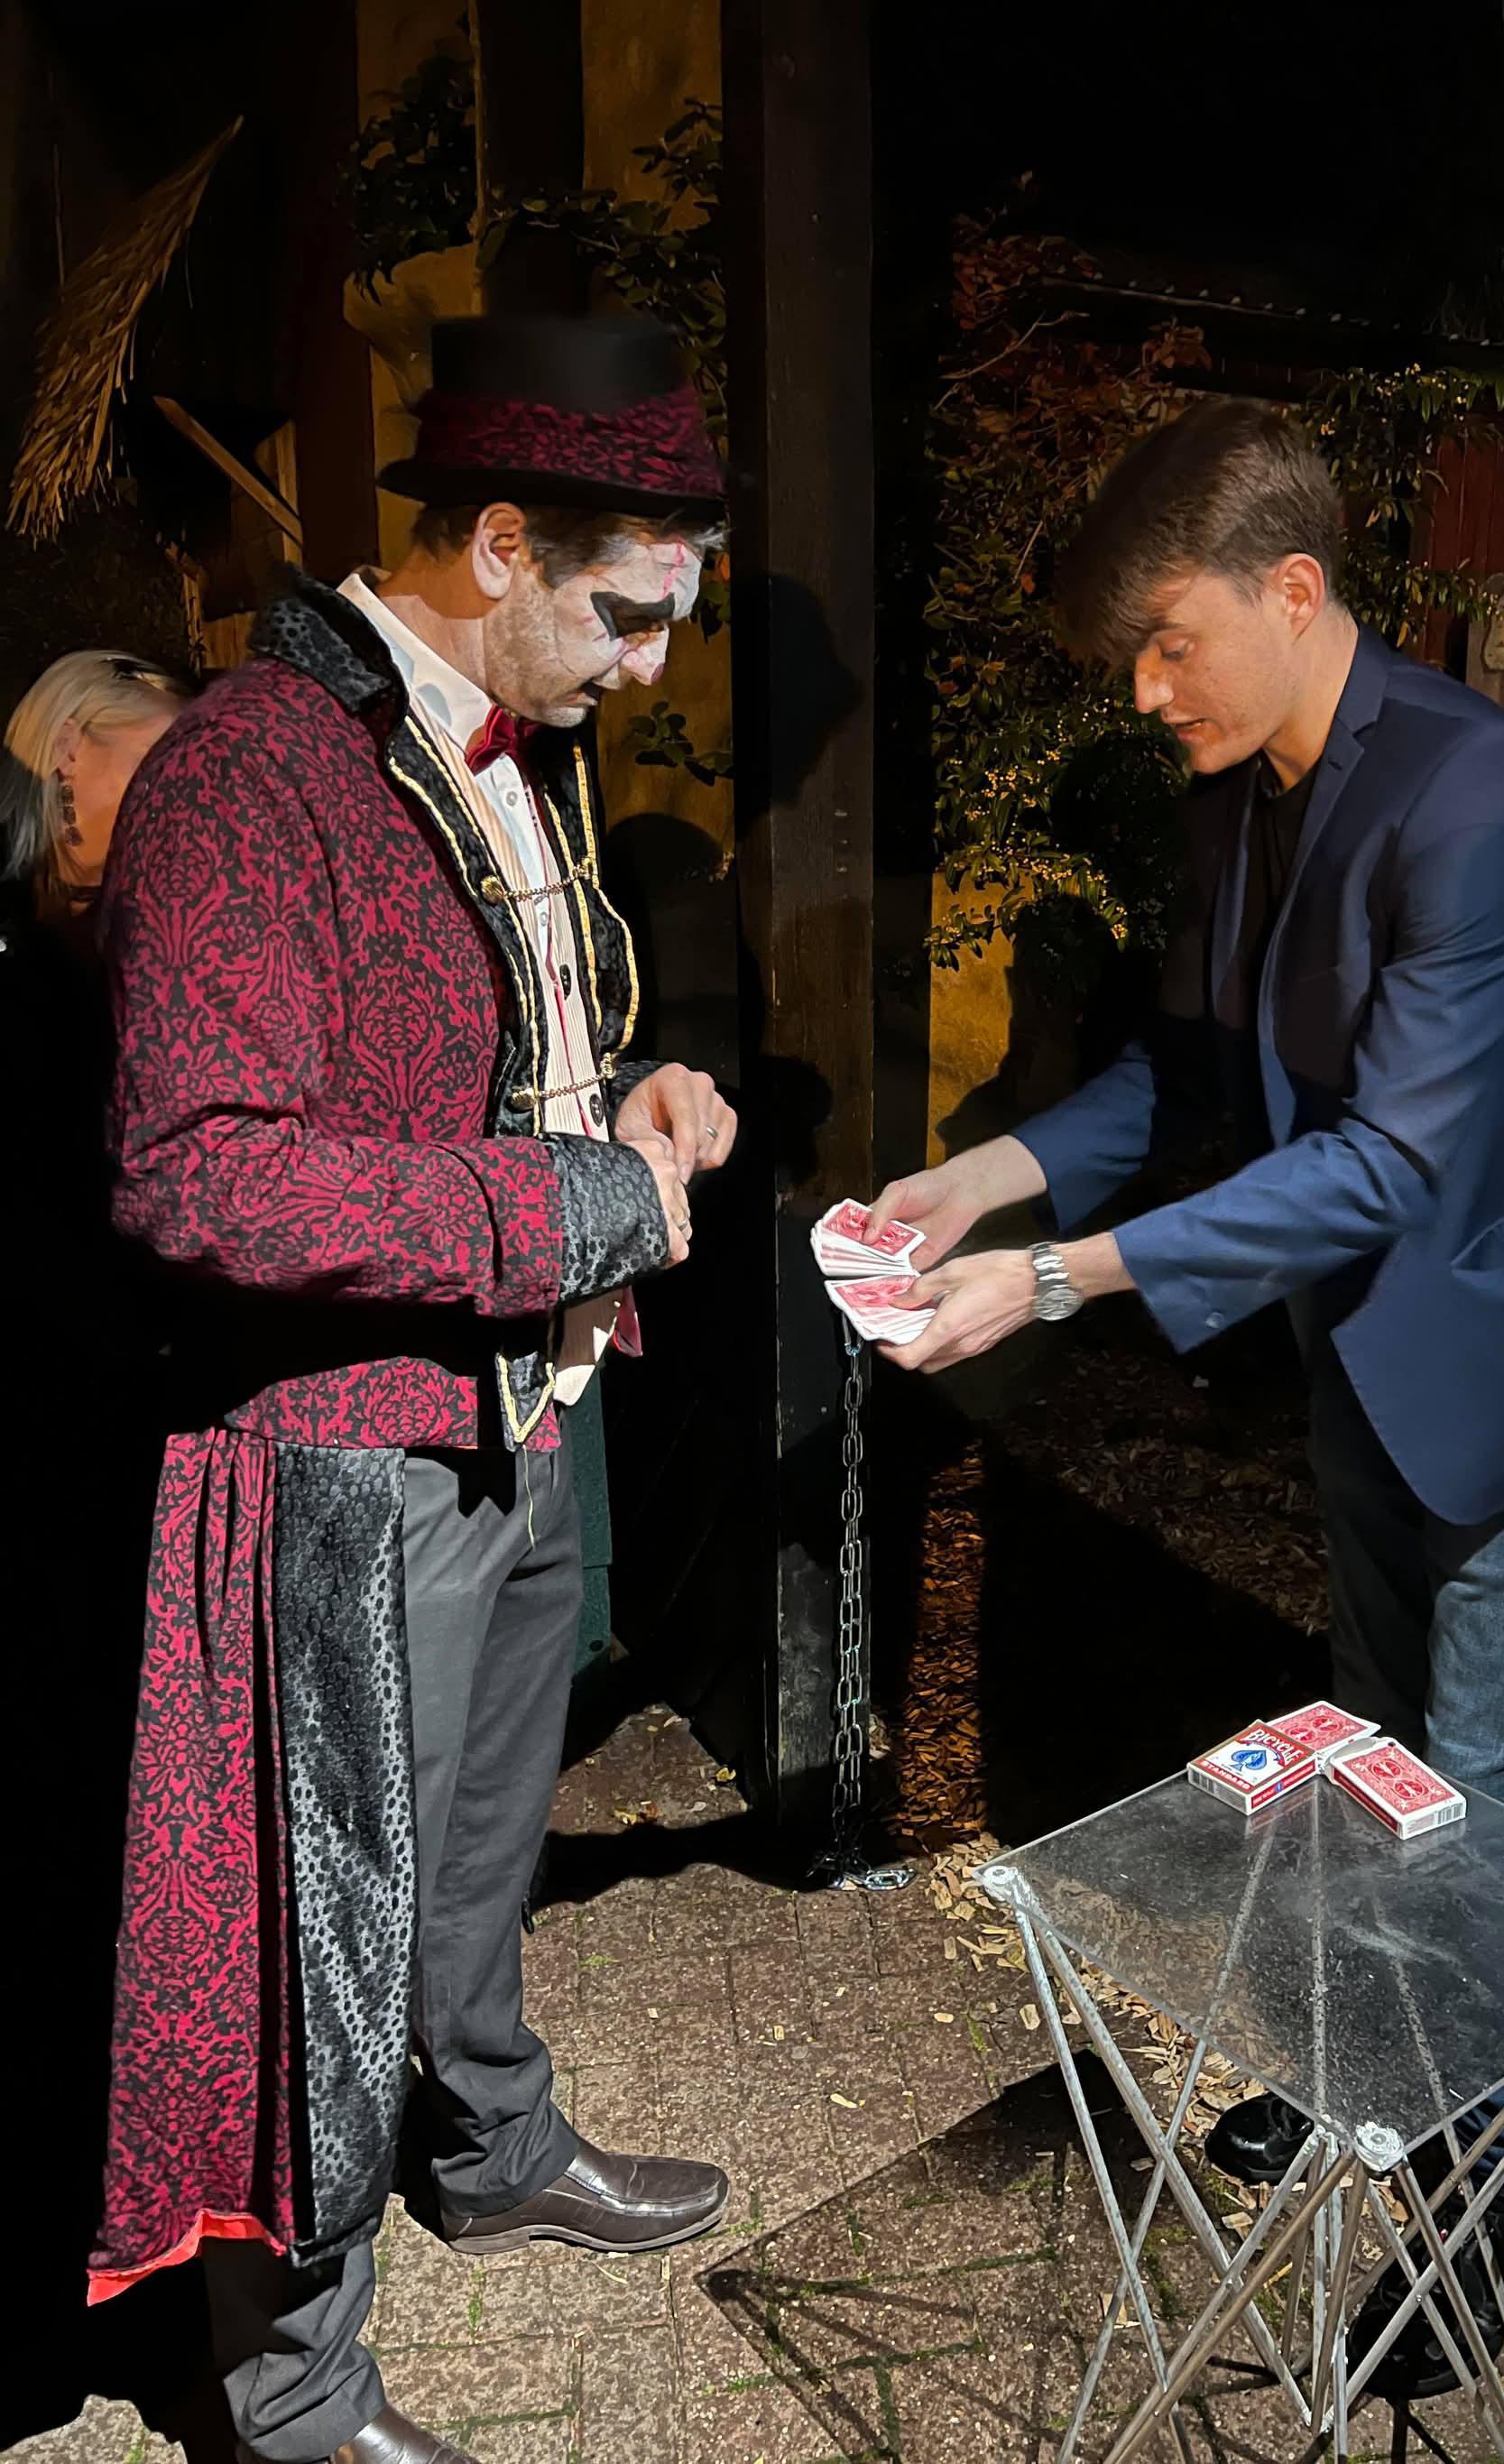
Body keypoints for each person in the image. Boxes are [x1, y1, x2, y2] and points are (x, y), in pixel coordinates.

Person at [866, 401, 1504, 2398]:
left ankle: (1474, 2225)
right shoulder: (1237, 792)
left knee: (1484, 1813)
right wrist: (988, 1175)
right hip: (1364, 1360)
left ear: (1293, 588)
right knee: (1373, 1764)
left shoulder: (1482, 800)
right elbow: (1192, 1079)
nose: (1147, 692)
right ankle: (1359, 2093)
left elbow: (1396, 1159)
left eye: (1169, 642)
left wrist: (1059, 1277)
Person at [96, 312, 739, 2464]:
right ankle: (290, 2389)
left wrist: (621, 1101)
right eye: (631, 613)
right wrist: (558, 1213)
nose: (653, 668)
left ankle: (494, 2140)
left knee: (472, 1860)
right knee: (328, 1921)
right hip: (348, 1457)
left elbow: (485, 1068)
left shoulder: (520, 758)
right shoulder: (246, 775)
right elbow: (194, 1170)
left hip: (527, 1414)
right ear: (494, 541)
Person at [1, 651, 202, 2443]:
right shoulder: (23, 982)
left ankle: (124, 2282)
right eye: (166, 765)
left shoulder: (122, 965)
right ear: (68, 764)